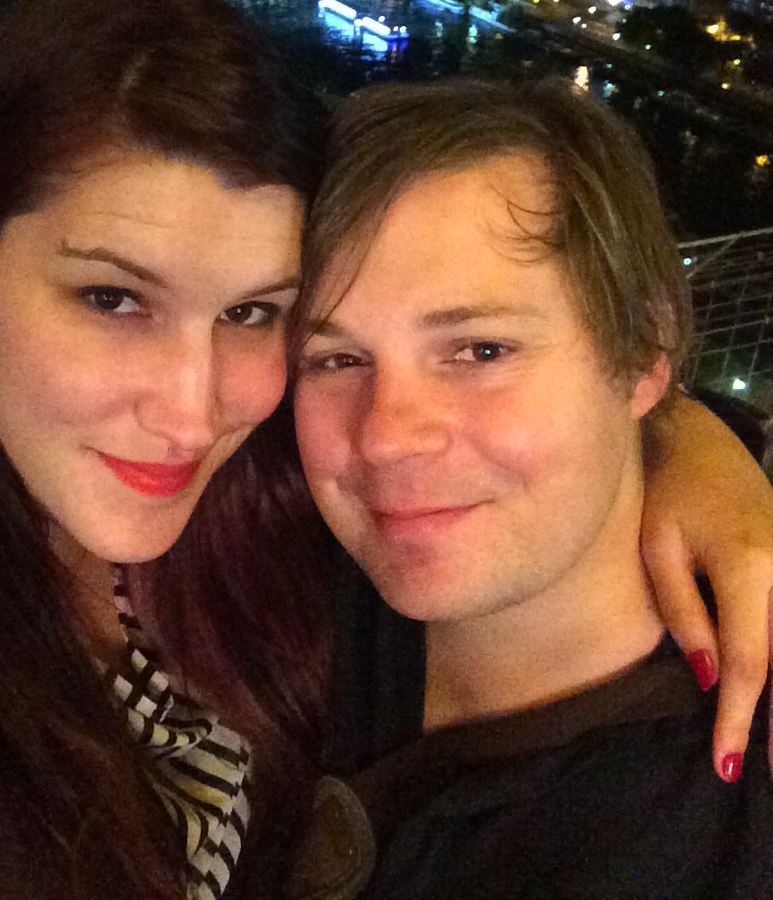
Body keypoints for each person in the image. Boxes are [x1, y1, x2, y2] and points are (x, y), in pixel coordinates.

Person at [0, 0, 770, 900]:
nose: (190, 413)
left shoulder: (280, 519)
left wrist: (702, 448)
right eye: (112, 298)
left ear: (646, 352)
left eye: (481, 350)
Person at [292, 78, 773, 899]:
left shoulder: (730, 840)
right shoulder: (274, 576)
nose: (386, 437)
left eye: (482, 351)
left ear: (643, 350)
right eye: (336, 359)